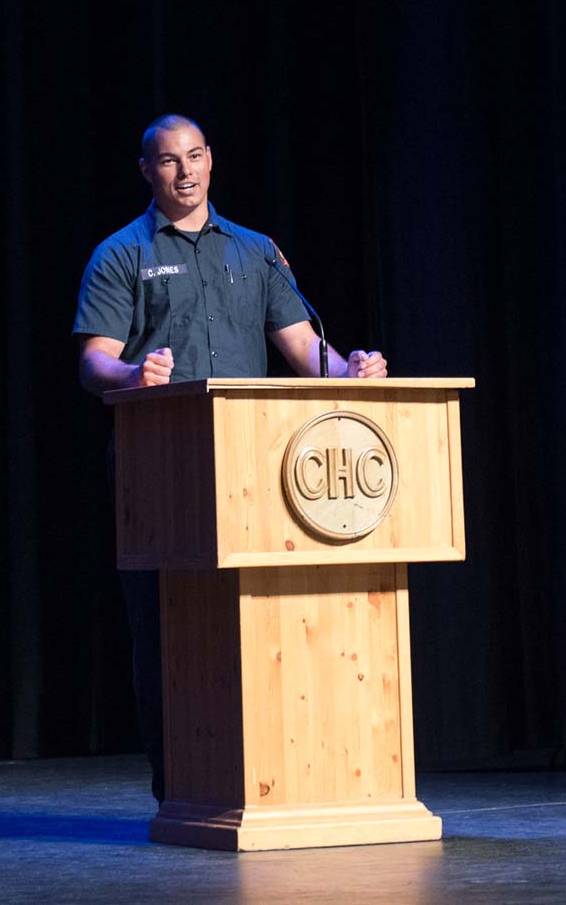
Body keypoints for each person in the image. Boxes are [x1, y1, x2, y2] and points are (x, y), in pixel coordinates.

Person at [73, 114, 388, 803]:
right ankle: (181, 789)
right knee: (167, 629)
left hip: (254, 468)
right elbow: (94, 360)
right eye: (168, 161)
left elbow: (305, 348)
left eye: (194, 156)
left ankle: (271, 782)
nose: (184, 171)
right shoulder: (120, 254)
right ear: (147, 171)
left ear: (211, 160)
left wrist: (351, 369)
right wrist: (133, 375)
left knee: (258, 621)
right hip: (160, 467)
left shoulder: (256, 251)